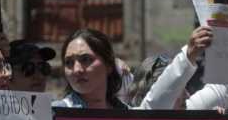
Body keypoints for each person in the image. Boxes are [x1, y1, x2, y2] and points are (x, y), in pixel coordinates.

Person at [58, 27, 212, 110]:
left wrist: (189, 55)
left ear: (109, 65)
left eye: (86, 59)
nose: (77, 69)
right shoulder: (54, 116)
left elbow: (155, 104)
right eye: (69, 62)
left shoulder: (126, 116)